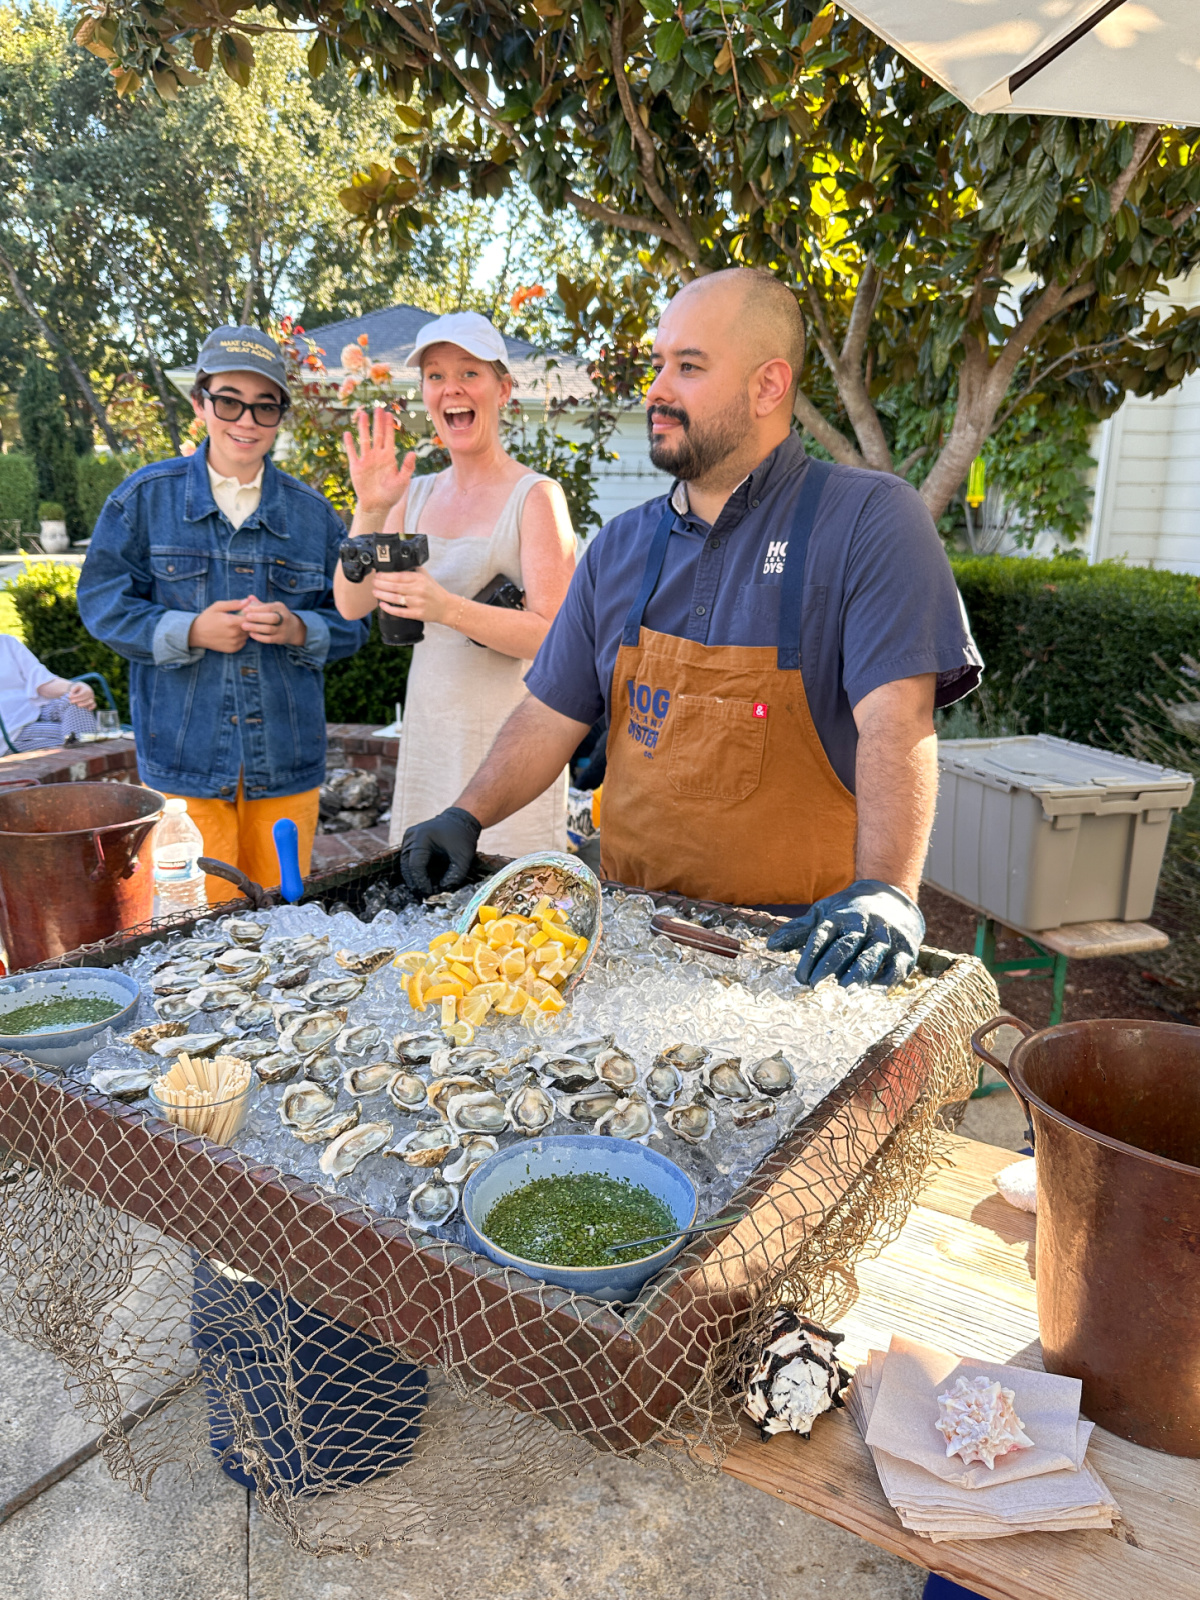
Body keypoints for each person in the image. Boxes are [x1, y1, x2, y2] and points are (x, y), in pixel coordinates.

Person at [399, 269, 983, 987]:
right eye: (658, 365)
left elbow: (899, 722)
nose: (656, 391)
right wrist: (466, 813)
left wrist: (887, 891)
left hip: (797, 954)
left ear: (769, 386)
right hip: (625, 942)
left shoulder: (868, 520)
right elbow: (550, 712)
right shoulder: (618, 547)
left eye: (689, 367)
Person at [77, 324, 369, 902]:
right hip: (184, 769)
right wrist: (187, 629)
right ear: (200, 402)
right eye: (229, 401)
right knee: (198, 936)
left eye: (265, 408)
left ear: (281, 414)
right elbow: (102, 604)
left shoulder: (315, 518)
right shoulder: (143, 500)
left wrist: (297, 628)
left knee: (285, 922)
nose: (246, 421)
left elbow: (353, 623)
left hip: (286, 764)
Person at [335, 310, 577, 855]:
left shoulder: (536, 497)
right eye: (436, 375)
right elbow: (350, 604)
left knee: (511, 920)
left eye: (470, 373)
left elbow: (554, 640)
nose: (452, 389)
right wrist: (370, 508)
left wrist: (446, 608)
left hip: (511, 755)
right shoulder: (409, 495)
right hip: (430, 742)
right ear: (424, 392)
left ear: (503, 389)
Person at [0, 633, 97, 751]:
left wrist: (75, 687)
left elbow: (42, 681)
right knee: (73, 741)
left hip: (34, 709)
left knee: (75, 700)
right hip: (8, 731)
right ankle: (86, 761)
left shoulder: (6, 642)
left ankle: (87, 759)